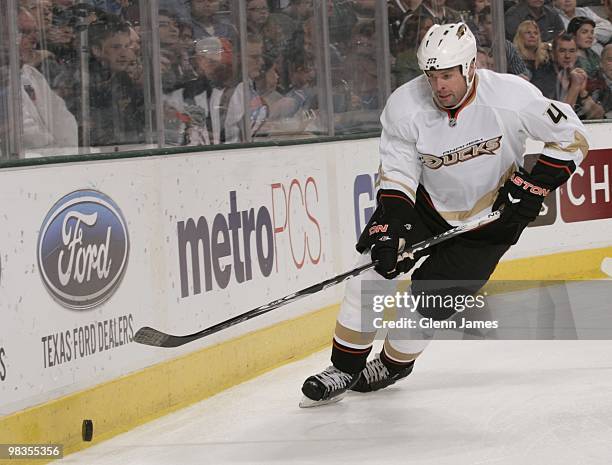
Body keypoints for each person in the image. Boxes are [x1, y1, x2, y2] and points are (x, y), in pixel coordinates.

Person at [300, 22, 589, 407]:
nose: (439, 86)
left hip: (492, 218)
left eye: (448, 75)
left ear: (469, 67)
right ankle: (343, 367)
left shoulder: (511, 96)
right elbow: (399, 174)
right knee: (372, 269)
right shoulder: (405, 106)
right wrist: (393, 230)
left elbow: (572, 136)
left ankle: (392, 364)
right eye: (432, 76)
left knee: (427, 304)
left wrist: (535, 186)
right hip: (426, 205)